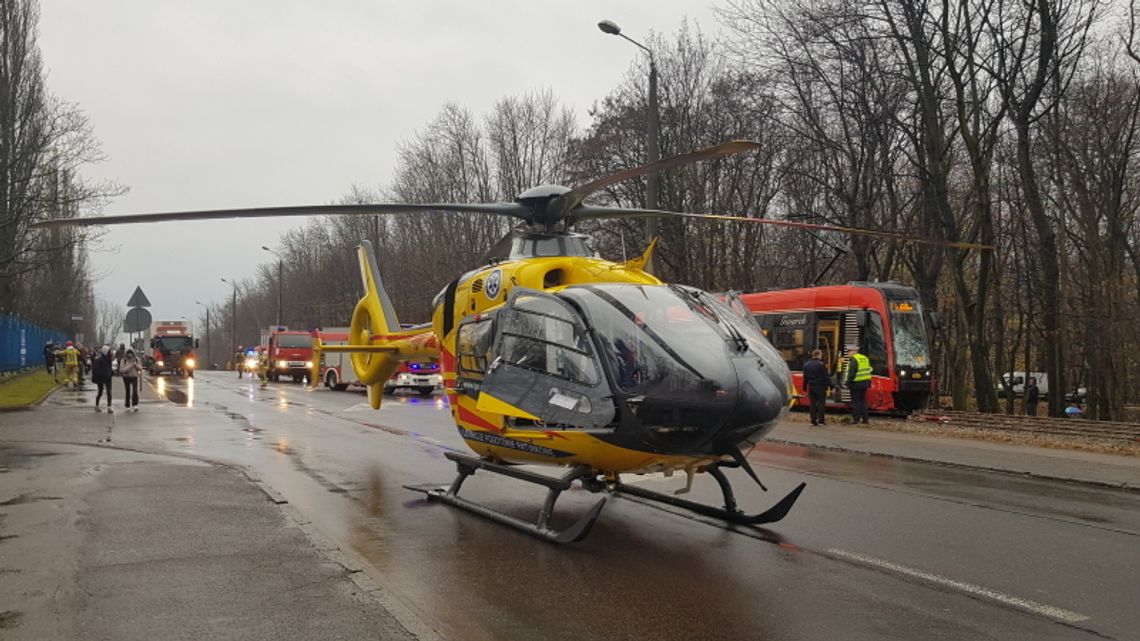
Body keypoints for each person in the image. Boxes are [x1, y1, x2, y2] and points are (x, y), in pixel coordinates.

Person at [844, 344, 872, 425]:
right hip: (865, 383)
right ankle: (865, 419)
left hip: (856, 384)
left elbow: (851, 374)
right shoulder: (865, 358)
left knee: (856, 402)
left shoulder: (854, 360)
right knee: (863, 401)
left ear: (854, 351)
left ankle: (856, 419)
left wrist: (847, 383)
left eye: (849, 352)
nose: (848, 353)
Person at [802, 349, 831, 426]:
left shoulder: (806, 365)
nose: (821, 356)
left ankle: (813, 420)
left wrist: (804, 388)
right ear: (818, 355)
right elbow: (826, 377)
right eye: (821, 354)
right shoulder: (821, 364)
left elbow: (805, 378)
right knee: (821, 404)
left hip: (811, 387)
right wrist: (831, 386)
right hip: (821, 387)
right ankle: (821, 421)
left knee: (812, 404)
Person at [91, 345, 114, 413]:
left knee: (109, 392)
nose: (111, 353)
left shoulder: (109, 359)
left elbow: (109, 368)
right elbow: (95, 370)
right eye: (109, 351)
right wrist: (103, 374)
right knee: (100, 392)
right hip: (101, 378)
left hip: (108, 378)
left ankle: (109, 407)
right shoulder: (99, 360)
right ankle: (97, 406)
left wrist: (111, 372)